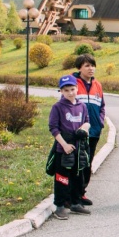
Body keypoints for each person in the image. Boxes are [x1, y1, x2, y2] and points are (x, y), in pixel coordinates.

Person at [48, 75, 91, 220]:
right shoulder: (58, 107)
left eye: (72, 89)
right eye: (66, 90)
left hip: (79, 148)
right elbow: (53, 128)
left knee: (77, 177)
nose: (70, 93)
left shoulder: (82, 106)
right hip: (64, 148)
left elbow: (87, 121)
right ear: (61, 91)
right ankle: (60, 206)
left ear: (77, 88)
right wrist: (64, 145)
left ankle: (75, 202)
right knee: (62, 178)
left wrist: (84, 128)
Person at [74, 54, 105, 207]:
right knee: (76, 163)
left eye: (92, 65)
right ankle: (73, 194)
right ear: (79, 68)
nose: (91, 68)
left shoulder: (97, 85)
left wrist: (100, 122)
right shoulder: (73, 83)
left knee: (87, 163)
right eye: (87, 65)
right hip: (77, 132)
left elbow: (102, 106)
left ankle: (82, 193)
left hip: (94, 131)